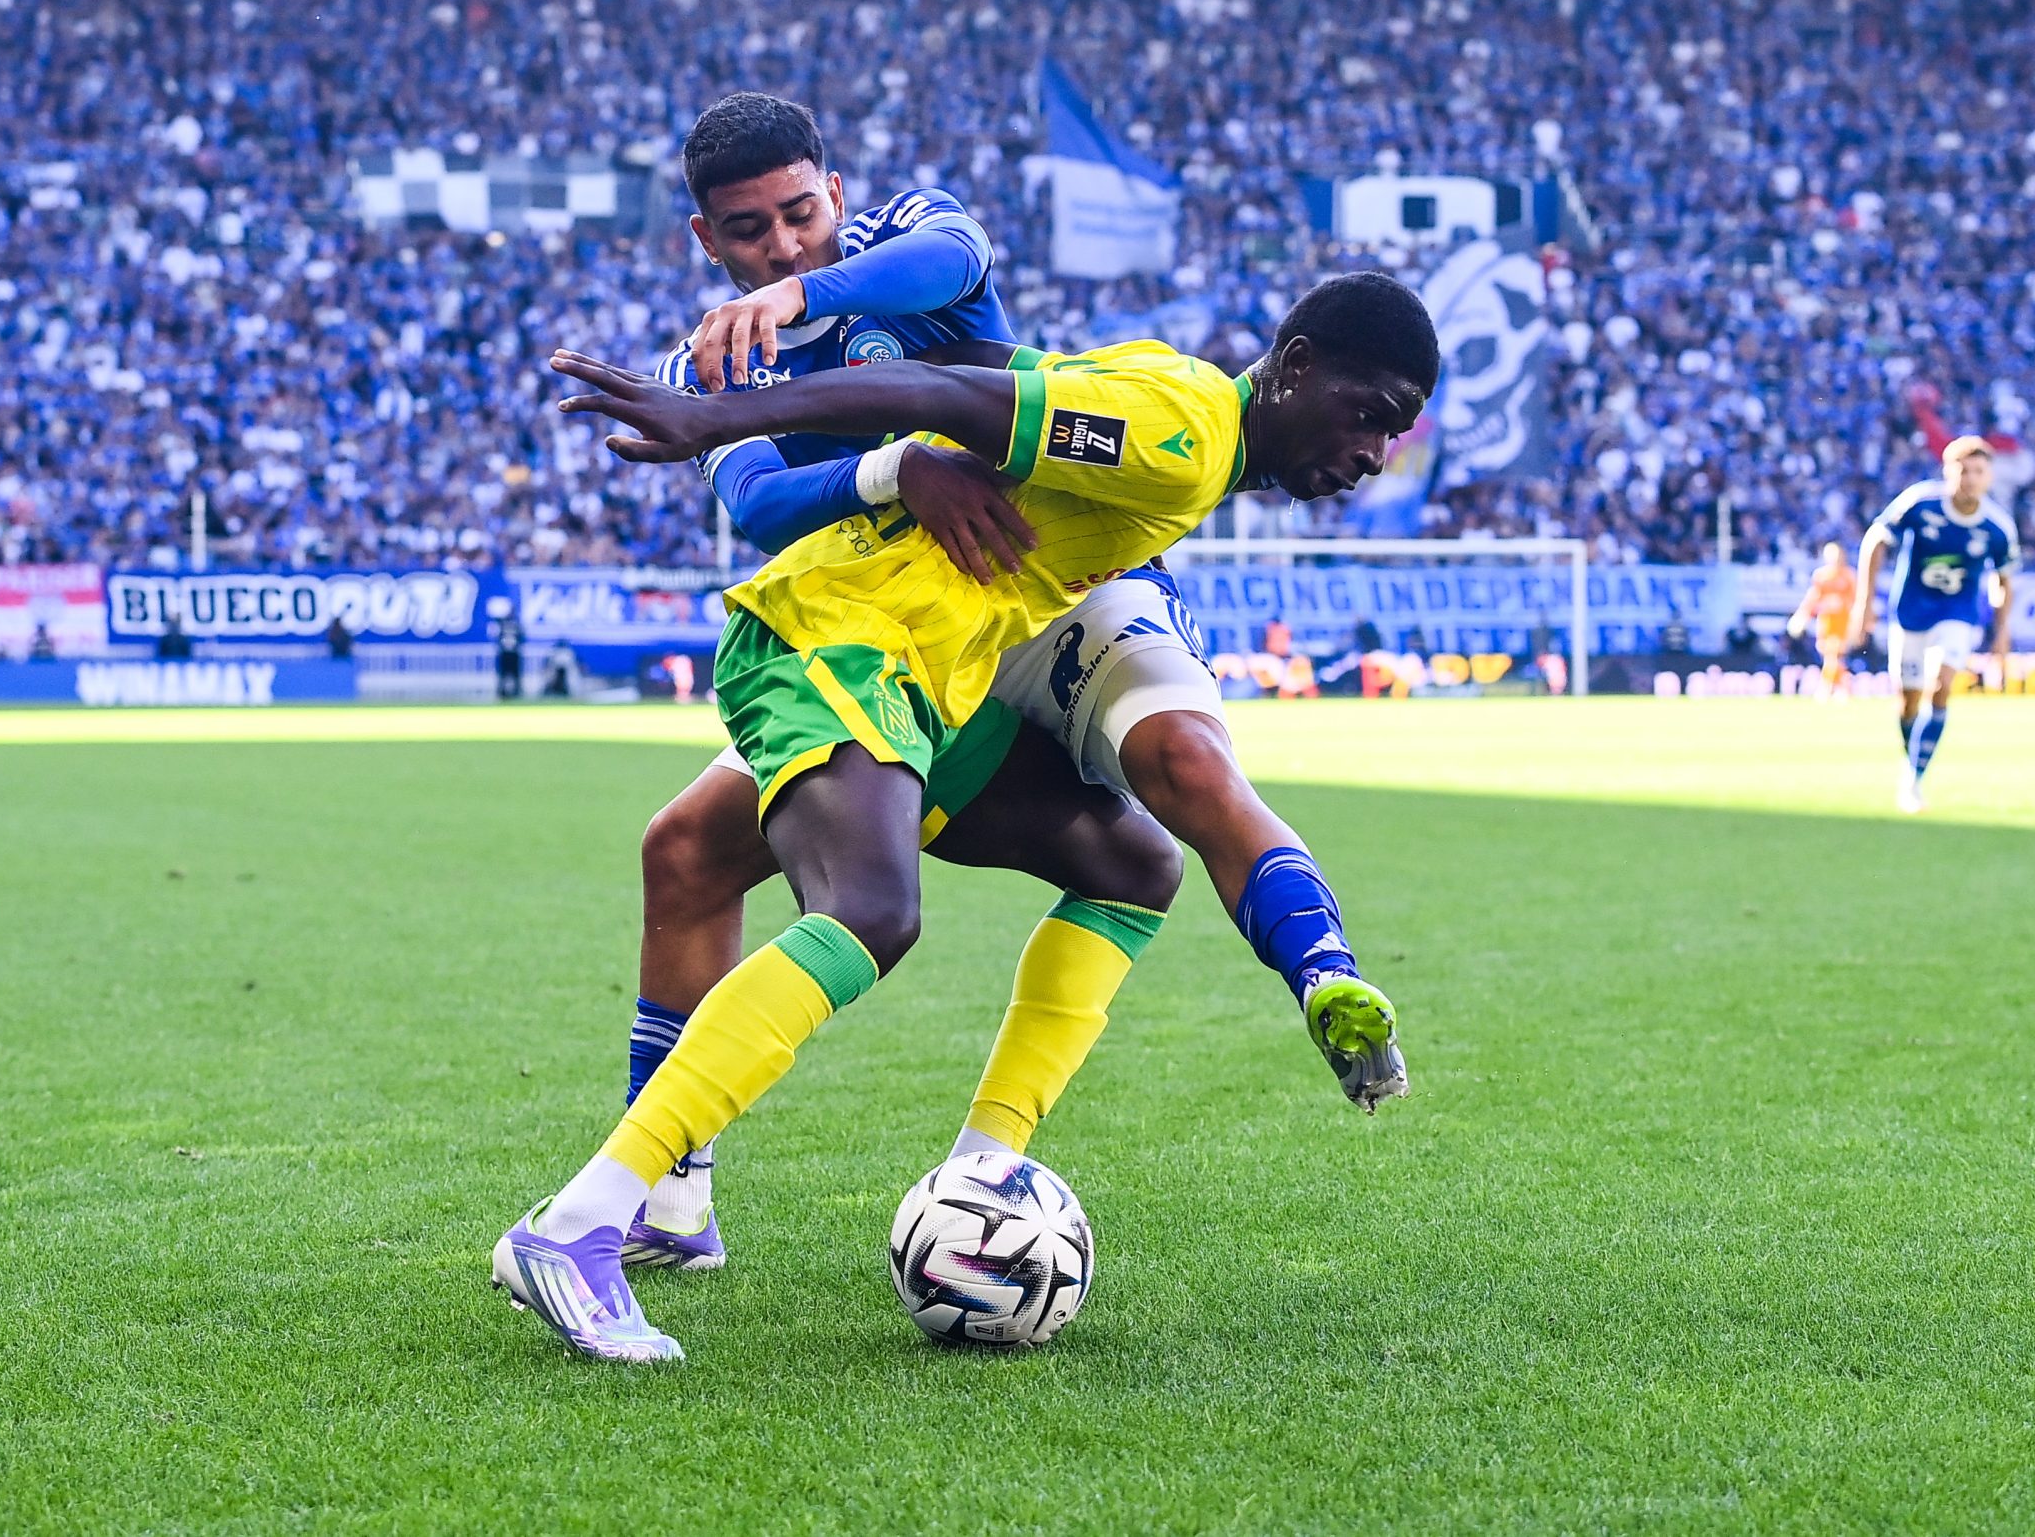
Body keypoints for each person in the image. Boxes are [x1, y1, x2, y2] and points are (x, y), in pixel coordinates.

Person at [494, 270, 1440, 1362]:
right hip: (839, 639)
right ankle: (577, 1225)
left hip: (935, 686)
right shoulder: (1178, 431)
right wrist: (718, 419)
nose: (1373, 453)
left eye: (1396, 434)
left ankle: (984, 1171)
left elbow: (996, 372)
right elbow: (947, 392)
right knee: (872, 914)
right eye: (1368, 415)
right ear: (1298, 366)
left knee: (1132, 867)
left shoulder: (1176, 408)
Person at [612, 97, 1415, 1275]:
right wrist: (902, 472)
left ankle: (1323, 972)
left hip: (1072, 572)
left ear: (834, 192)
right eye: (749, 235)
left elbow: (956, 260)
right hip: (907, 608)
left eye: (798, 214)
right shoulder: (705, 362)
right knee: (684, 852)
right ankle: (665, 1201)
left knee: (1181, 764)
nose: (781, 246)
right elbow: (759, 505)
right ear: (704, 239)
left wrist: (807, 300)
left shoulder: (905, 233)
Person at [1840, 437, 2020, 813]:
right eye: (1962, 470)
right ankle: (1914, 762)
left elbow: (2004, 583)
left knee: (1942, 684)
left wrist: (2001, 637)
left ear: (1989, 477)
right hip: (1910, 613)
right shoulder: (1920, 503)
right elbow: (1875, 540)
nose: (1970, 479)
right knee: (1907, 702)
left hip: (1958, 613)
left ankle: (1913, 779)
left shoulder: (1997, 526)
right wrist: (1864, 604)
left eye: (1978, 472)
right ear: (1947, 472)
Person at [1787, 541, 1859, 693]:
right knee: (1830, 654)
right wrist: (1801, 616)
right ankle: (1843, 686)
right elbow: (1813, 598)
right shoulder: (1821, 576)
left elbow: (1855, 600)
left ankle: (1827, 687)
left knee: (1834, 654)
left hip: (1842, 621)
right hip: (1826, 621)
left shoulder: (1848, 576)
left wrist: (1856, 620)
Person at [491, 597, 524, 700]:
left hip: (513, 652)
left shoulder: (516, 624)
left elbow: (521, 637)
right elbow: (497, 636)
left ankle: (516, 692)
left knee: (515, 674)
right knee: (503, 674)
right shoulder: (502, 623)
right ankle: (502, 692)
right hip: (505, 652)